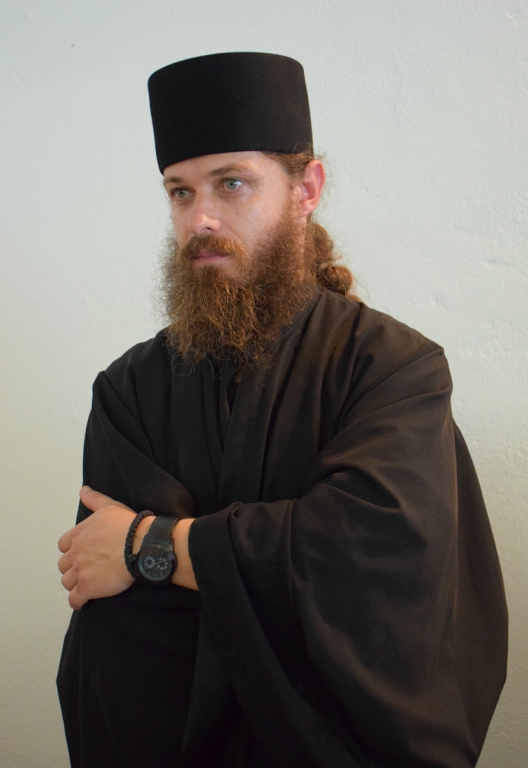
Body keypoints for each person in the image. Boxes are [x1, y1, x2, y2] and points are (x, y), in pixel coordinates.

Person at [57, 52, 507, 768]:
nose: (200, 218)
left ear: (307, 189)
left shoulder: (394, 369)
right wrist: (246, 567)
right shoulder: (129, 389)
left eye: (231, 183)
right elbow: (125, 624)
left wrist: (150, 547)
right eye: (179, 192)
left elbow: (374, 562)